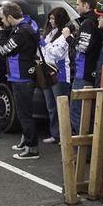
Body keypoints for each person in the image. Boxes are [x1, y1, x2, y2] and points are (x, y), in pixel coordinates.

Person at [0, 2, 41, 160]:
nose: (1, 21)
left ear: (9, 17)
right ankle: (26, 140)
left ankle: (32, 149)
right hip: (20, 75)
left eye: (2, 18)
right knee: (23, 113)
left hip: (22, 77)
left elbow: (4, 50)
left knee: (24, 114)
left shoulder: (22, 31)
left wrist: (0, 33)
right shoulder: (27, 24)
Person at [40, 8, 73, 144]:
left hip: (60, 74)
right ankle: (55, 134)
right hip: (47, 72)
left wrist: (45, 44)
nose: (50, 21)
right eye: (50, 18)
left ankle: (65, 135)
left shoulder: (65, 34)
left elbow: (58, 53)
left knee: (61, 106)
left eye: (53, 18)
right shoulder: (50, 33)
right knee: (50, 106)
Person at [70, 0, 101, 134]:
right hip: (92, 71)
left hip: (84, 73)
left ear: (86, 5)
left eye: (78, 4)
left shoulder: (88, 22)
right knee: (87, 113)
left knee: (77, 112)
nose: (76, 7)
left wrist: (69, 38)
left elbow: (83, 47)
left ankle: (82, 152)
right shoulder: (96, 20)